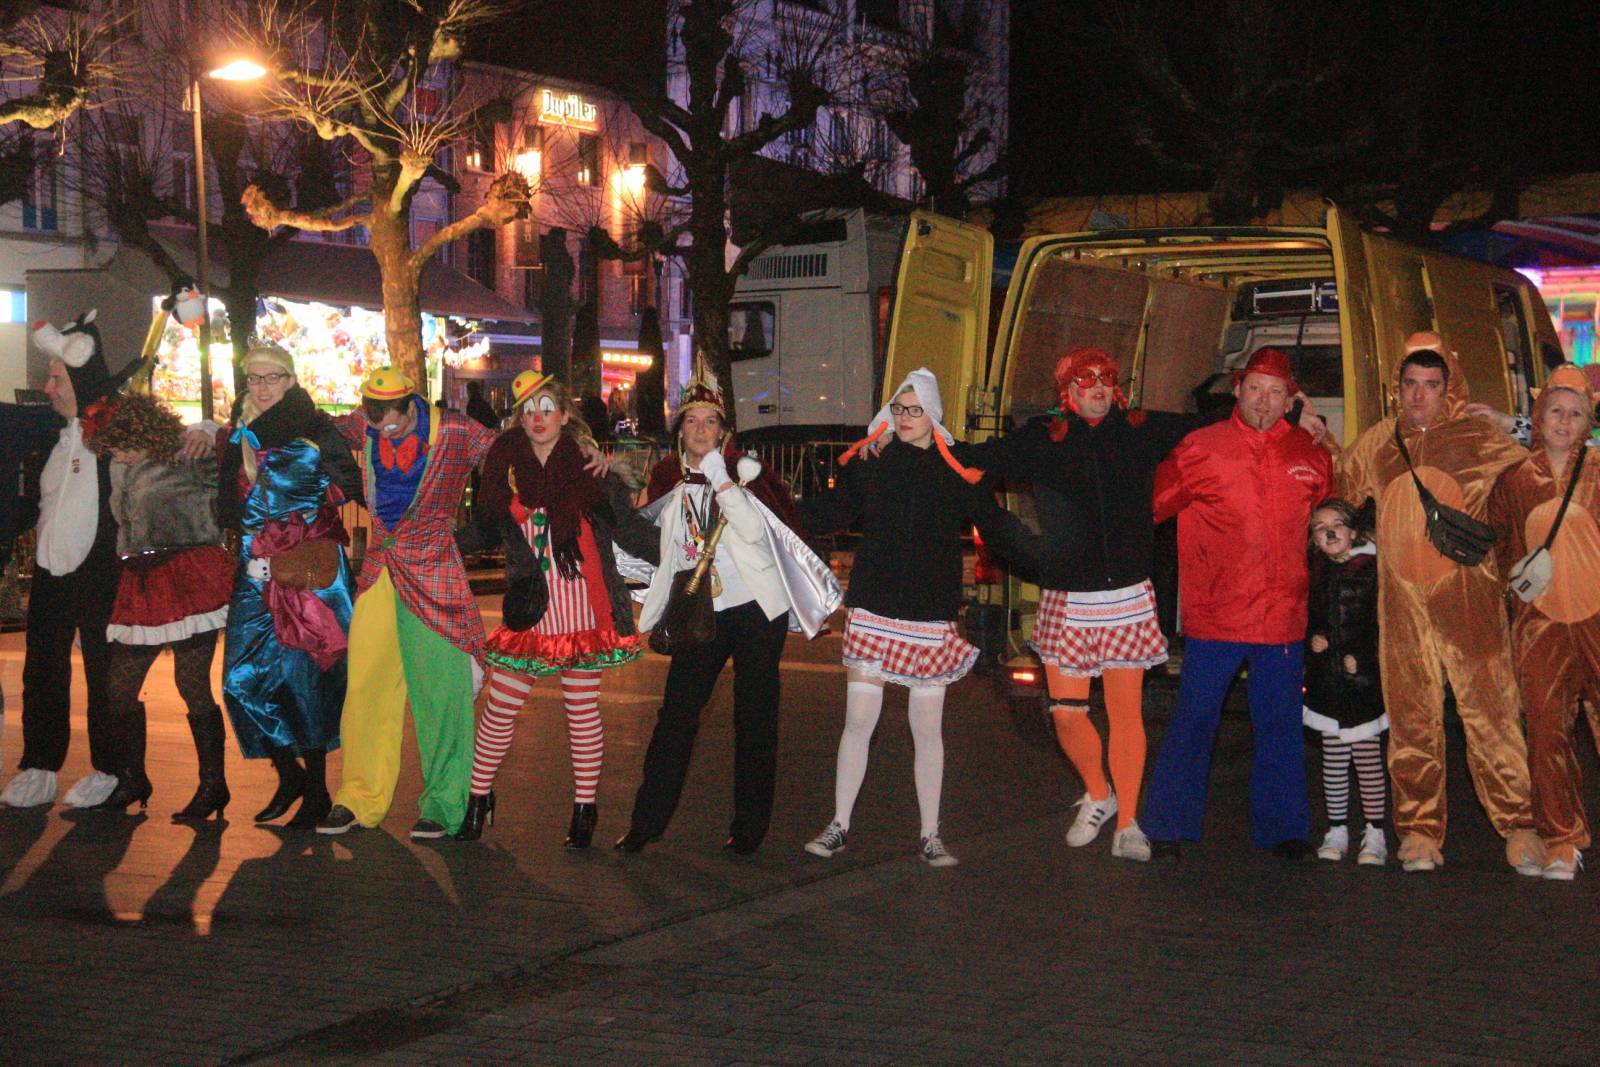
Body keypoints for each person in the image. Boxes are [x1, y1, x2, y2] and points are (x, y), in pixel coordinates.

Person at [946, 346, 1233, 862]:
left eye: (1106, 378)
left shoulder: (1140, 429)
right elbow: (974, 457)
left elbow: (1210, 423)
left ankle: (1128, 825)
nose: (1098, 387)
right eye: (1085, 379)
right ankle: (1099, 794)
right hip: (1068, 597)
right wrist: (922, 437)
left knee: (1126, 715)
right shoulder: (1044, 437)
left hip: (1126, 596)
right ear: (1067, 391)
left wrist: (1278, 408)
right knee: (1066, 715)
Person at [798, 368, 1036, 867]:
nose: (905, 417)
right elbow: (832, 511)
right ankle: (839, 824)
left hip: (929, 613)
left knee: (927, 729)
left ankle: (931, 834)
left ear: (934, 416)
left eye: (915, 409)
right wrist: (773, 511)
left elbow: (994, 524)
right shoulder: (874, 462)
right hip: (875, 605)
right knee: (857, 723)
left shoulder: (956, 467)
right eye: (899, 408)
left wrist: (1041, 554)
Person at [612, 355, 840, 855]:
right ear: (680, 429)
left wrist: (720, 477)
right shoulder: (667, 477)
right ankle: (645, 824)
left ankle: (748, 830)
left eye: (709, 421)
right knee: (676, 716)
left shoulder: (743, 472)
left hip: (757, 608)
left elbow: (755, 530)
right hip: (701, 611)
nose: (700, 429)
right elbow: (653, 542)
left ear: (723, 430)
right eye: (691, 421)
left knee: (755, 718)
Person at [1334, 332, 1542, 875]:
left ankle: (1518, 822)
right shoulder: (1381, 440)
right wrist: (1313, 437)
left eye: (1430, 384)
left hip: (1468, 601)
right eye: (1411, 384)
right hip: (1402, 607)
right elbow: (1340, 486)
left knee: (1491, 714)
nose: (1419, 395)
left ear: (1448, 386)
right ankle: (1420, 829)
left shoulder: (1477, 436)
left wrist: (1513, 424)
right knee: (1411, 721)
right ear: (1398, 387)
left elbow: (1543, 472)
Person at [1140, 348, 1334, 860]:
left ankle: (1285, 829)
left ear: (1291, 400)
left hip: (1283, 616)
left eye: (1275, 392)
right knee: (1195, 718)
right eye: (1255, 389)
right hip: (1217, 615)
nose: (1263, 402)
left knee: (1281, 724)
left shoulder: (1311, 455)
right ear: (1237, 390)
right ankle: (1168, 824)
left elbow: (1334, 523)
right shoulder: (1201, 448)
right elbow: (1147, 509)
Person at [457, 370, 642, 846]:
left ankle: (584, 811)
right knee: (500, 706)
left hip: (582, 608)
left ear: (563, 415)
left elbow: (630, 529)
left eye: (546, 409)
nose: (537, 418)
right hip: (532, 609)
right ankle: (477, 800)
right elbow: (484, 528)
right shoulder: (505, 470)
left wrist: (687, 554)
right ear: (520, 419)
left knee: (581, 710)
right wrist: (437, 543)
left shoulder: (589, 470)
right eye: (528, 411)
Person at [316, 367, 498, 839]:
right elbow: (316, 428)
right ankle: (358, 797)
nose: (385, 430)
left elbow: (509, 454)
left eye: (393, 422)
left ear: (411, 405)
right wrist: (229, 429)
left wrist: (580, 449)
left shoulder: (455, 429)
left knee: (441, 694)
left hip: (434, 571)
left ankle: (446, 802)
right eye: (376, 423)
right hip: (380, 569)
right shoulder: (364, 424)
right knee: (366, 686)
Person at [217, 344, 363, 828]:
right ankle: (290, 774)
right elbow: (227, 500)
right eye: (254, 379)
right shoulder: (237, 433)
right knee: (239, 681)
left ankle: (317, 790)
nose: (262, 388)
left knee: (306, 680)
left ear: (291, 380)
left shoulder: (317, 431)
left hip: (305, 567)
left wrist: (309, 521)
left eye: (272, 378)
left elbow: (354, 486)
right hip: (252, 567)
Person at [75, 392, 234, 815]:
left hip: (188, 572)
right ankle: (133, 779)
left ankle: (213, 785)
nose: (118, 457)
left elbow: (231, 479)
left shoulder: (187, 451)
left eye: (122, 446)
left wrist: (209, 431)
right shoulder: (119, 466)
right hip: (141, 579)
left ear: (142, 432)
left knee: (191, 683)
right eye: (111, 450)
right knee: (118, 687)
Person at [0, 313, 125, 810]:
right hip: (51, 567)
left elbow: (168, 446)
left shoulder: (117, 434)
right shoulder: (50, 431)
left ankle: (113, 768)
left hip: (102, 568)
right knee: (42, 668)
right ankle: (39, 763)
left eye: (56, 378)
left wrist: (205, 428)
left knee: (105, 671)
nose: (47, 388)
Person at [1487, 364, 1600, 881]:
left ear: (1587, 422)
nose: (1564, 421)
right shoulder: (1515, 480)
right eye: (1556, 410)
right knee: (1547, 734)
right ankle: (1562, 838)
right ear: (1539, 414)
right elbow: (1502, 547)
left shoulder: (1597, 471)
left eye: (1575, 414)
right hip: (1540, 627)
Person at [1302, 498, 1388, 865]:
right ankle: (1337, 827)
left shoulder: (1373, 570)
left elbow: (1386, 623)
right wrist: (1313, 640)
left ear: (1353, 532)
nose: (1329, 532)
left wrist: (1364, 658)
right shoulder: (1316, 572)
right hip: (1327, 681)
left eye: (1337, 524)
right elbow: (1309, 618)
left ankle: (1375, 831)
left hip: (1363, 683)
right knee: (1333, 757)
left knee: (1367, 758)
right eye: (1320, 528)